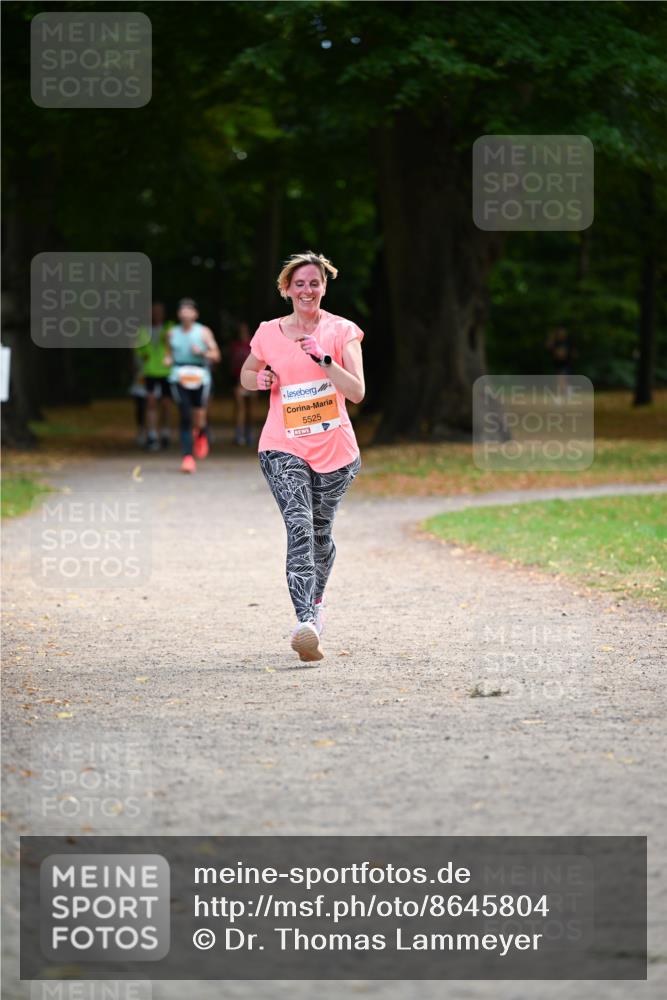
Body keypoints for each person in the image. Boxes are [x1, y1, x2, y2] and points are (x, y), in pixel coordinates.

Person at [240, 251, 365, 662]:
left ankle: (318, 606)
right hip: (282, 444)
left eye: (314, 283)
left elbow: (357, 392)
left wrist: (324, 359)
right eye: (299, 284)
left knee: (320, 533)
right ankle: (305, 622)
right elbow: (246, 373)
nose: (307, 290)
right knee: (298, 526)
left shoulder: (342, 331)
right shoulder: (268, 332)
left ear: (324, 287)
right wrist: (259, 378)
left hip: (335, 451)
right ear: (286, 289)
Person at [165, 298, 221, 474]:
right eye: (182, 310)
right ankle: (187, 458)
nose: (185, 313)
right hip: (179, 376)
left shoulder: (203, 332)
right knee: (185, 414)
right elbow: (168, 353)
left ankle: (201, 433)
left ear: (195, 314)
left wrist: (203, 352)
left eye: (189, 310)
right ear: (178, 314)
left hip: (200, 376)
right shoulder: (171, 333)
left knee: (199, 414)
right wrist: (167, 359)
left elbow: (216, 355)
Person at [135, 302, 173, 451]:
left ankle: (165, 431)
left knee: (166, 404)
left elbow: (174, 345)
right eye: (154, 312)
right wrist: (144, 359)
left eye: (159, 311)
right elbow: (138, 349)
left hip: (166, 372)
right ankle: (151, 434)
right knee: (150, 403)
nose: (156, 314)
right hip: (150, 371)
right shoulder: (143, 331)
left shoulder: (169, 328)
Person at [229, 321, 253, 445]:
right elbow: (232, 364)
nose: (242, 333)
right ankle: (239, 434)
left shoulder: (253, 344)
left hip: (253, 379)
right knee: (240, 408)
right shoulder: (235, 346)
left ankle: (248, 433)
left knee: (250, 409)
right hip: (238, 380)